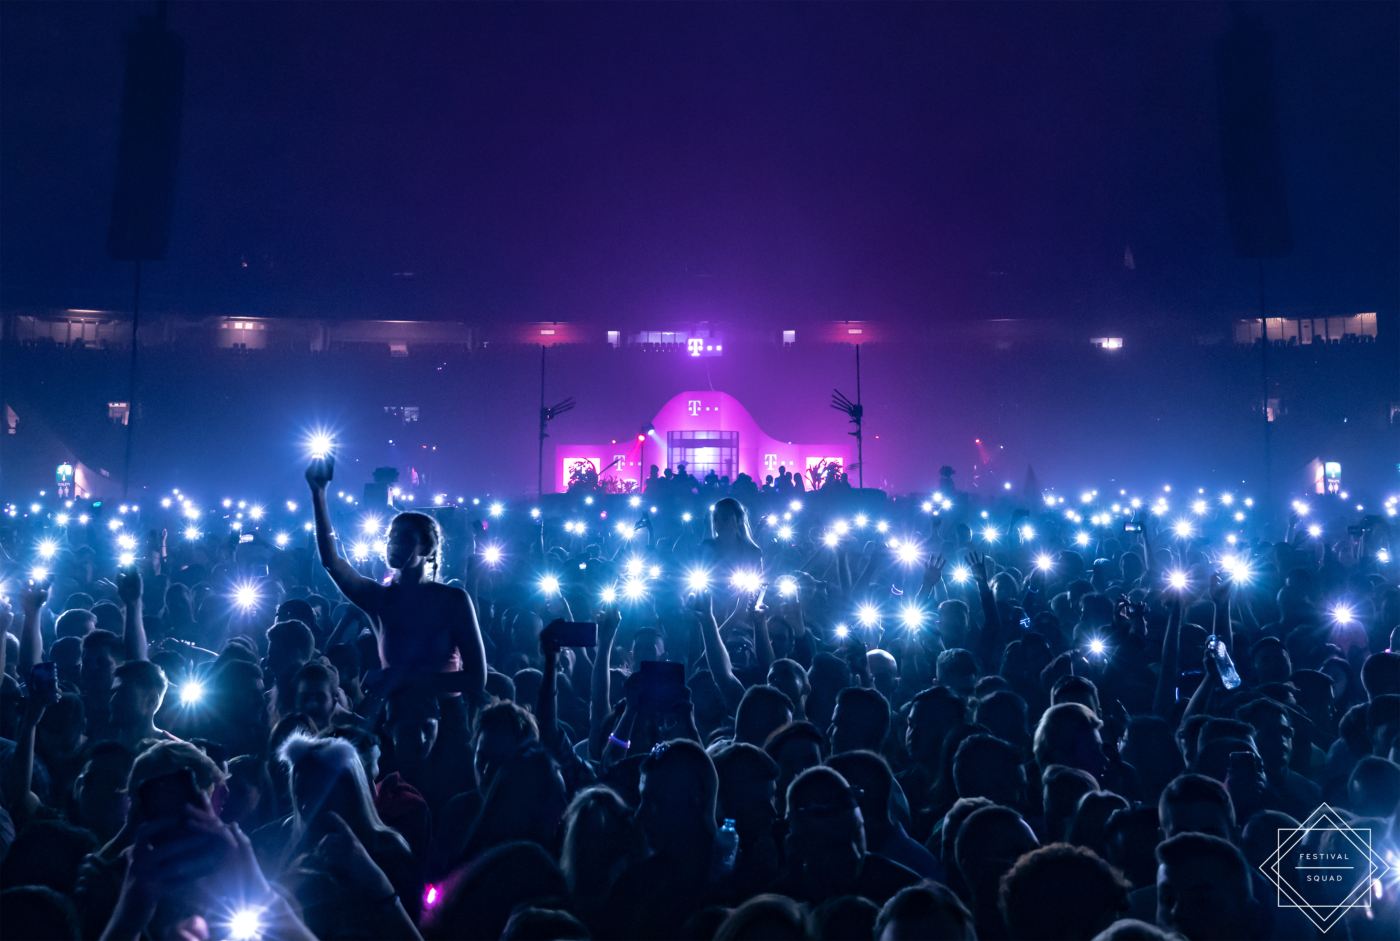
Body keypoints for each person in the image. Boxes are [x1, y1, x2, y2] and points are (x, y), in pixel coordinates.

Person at [307, 456, 487, 712]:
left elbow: (476, 679)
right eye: (391, 538)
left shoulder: (453, 600)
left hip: (446, 724)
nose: (395, 544)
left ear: (427, 547)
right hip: (395, 719)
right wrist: (319, 494)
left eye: (405, 538)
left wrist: (402, 678)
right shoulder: (379, 599)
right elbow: (331, 562)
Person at [767, 766, 921, 906]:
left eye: (857, 836)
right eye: (836, 844)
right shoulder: (776, 912)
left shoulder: (903, 893)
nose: (854, 853)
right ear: (799, 846)